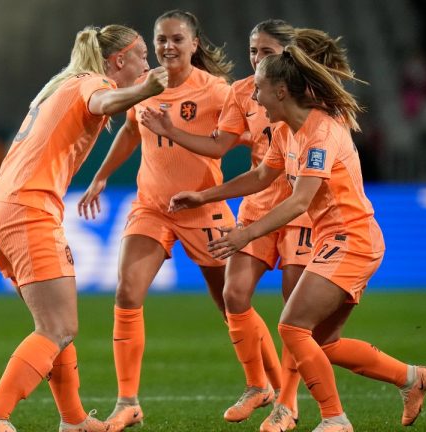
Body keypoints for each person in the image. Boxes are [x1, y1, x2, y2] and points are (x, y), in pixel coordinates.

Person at [167, 46, 426, 432]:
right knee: (324, 341)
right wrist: (204, 195)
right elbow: (261, 177)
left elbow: (299, 201)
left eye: (259, 89)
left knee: (292, 326)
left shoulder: (321, 133)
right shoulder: (282, 131)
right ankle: (412, 378)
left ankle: (334, 419)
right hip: (335, 239)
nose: (254, 97)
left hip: (353, 239)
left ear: (280, 92)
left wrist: (246, 233)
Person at [140, 21, 357, 430]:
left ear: (287, 59)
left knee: (295, 315)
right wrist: (173, 135)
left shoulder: (308, 102)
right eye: (253, 50)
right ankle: (258, 385)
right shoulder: (244, 91)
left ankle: (288, 405)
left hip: (300, 211)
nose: (256, 58)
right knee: (234, 293)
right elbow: (229, 150)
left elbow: (311, 172)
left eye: (265, 51)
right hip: (260, 206)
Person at [0, 25, 167, 432]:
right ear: (118, 61)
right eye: (142, 55)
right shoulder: (92, 82)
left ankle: (74, 421)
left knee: (54, 326)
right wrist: (144, 90)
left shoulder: (62, 85)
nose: (147, 63)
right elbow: (104, 101)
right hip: (28, 207)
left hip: (1, 205)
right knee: (59, 328)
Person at [75, 10, 236, 430]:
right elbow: (130, 131)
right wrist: (101, 176)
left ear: (194, 44)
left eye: (176, 39)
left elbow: (231, 142)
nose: (167, 47)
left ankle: (267, 388)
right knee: (127, 292)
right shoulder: (146, 86)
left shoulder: (217, 91)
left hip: (201, 207)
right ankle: (127, 401)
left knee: (232, 305)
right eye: (161, 39)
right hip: (152, 206)